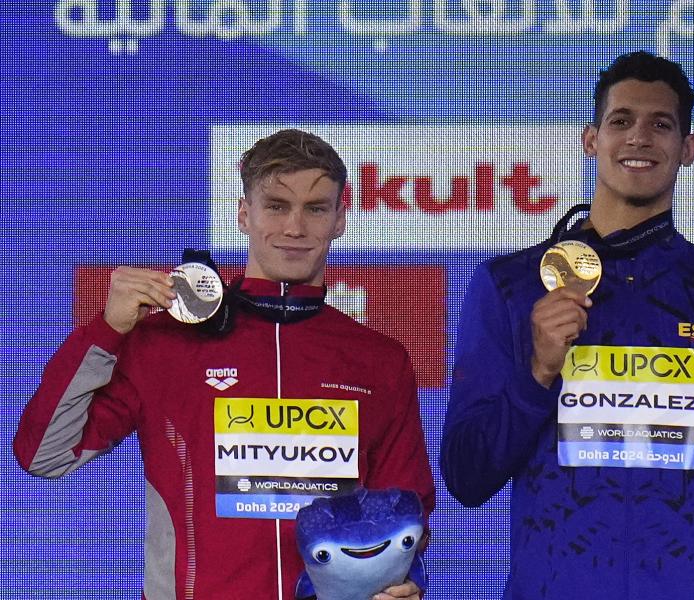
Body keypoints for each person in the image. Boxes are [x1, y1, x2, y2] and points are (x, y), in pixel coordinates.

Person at [13, 129, 435, 600]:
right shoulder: (165, 344)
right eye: (276, 205)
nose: (295, 227)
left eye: (315, 208)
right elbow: (44, 454)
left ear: (340, 218)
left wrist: (402, 581)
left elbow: (406, 513)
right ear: (243, 214)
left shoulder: (378, 360)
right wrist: (108, 330)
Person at [441, 51, 694, 598]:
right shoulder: (511, 288)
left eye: (661, 124)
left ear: (688, 149)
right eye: (621, 121)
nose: (640, 138)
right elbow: (466, 477)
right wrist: (537, 372)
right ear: (591, 139)